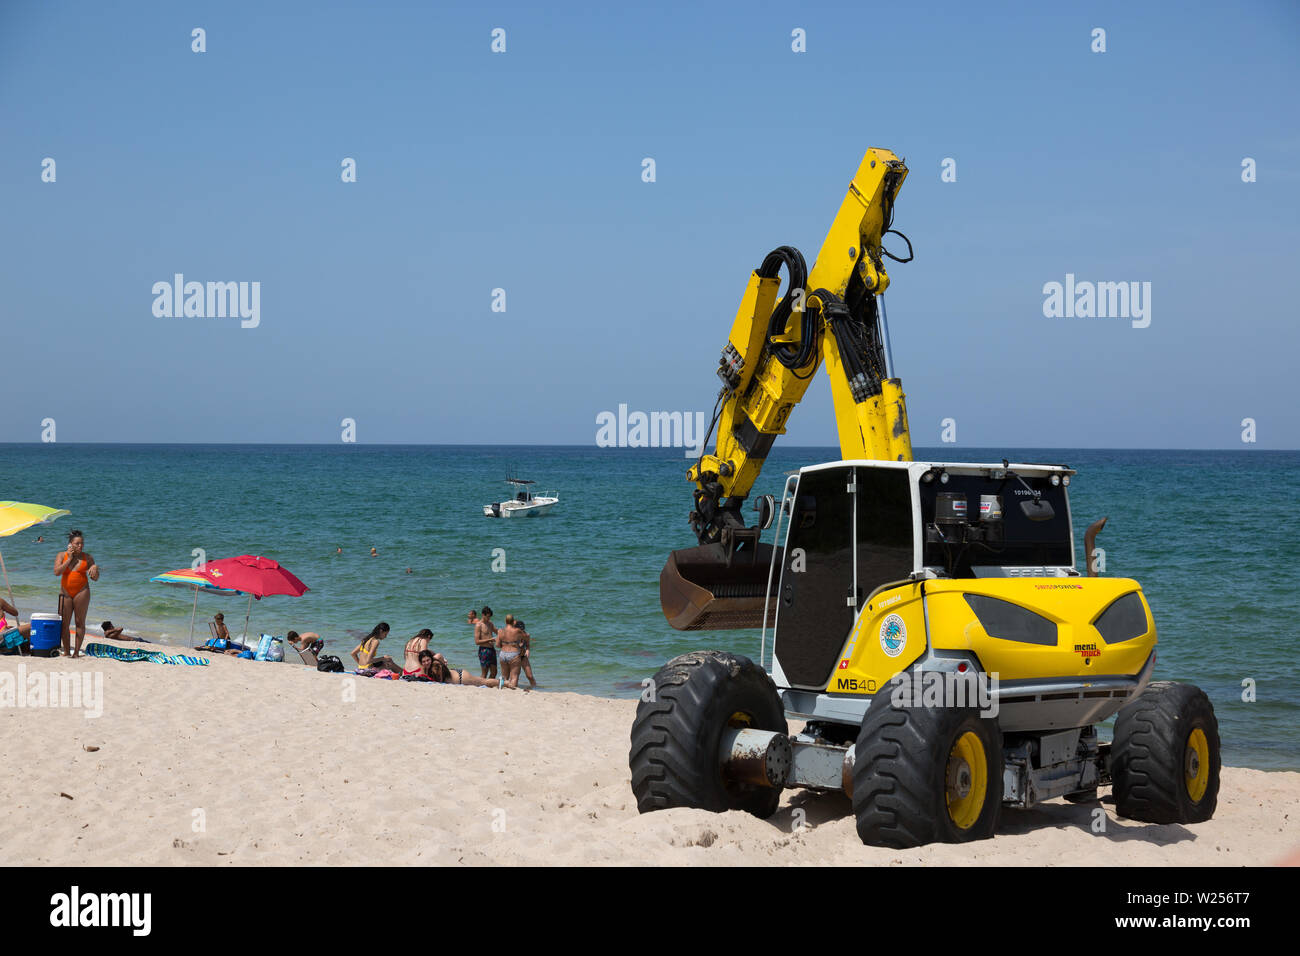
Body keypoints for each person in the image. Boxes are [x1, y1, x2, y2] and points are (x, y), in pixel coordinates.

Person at [54, 530, 98, 658]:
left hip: (82, 591)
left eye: (82, 543)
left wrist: (95, 567)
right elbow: (57, 572)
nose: (80, 546)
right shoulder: (62, 555)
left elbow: (95, 578)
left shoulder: (88, 557)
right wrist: (69, 559)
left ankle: (77, 652)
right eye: (77, 543)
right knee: (64, 623)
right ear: (70, 544)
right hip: (65, 592)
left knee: (80, 622)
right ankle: (67, 651)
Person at [414, 649, 499, 687]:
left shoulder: (435, 665)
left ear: (431, 658)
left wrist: (443, 661)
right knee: (483, 681)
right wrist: (444, 660)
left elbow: (439, 681)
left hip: (462, 678)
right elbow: (439, 655)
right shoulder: (429, 666)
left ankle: (505, 683)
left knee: (484, 682)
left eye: (428, 660)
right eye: (424, 662)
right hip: (457, 673)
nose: (426, 663)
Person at [496, 616, 524, 690]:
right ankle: (512, 690)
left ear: (505, 621)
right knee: (514, 676)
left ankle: (501, 687)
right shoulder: (517, 631)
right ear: (513, 622)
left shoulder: (500, 631)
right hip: (513, 653)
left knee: (504, 676)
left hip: (503, 654)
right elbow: (526, 637)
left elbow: (497, 645)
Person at [475, 606, 498, 680]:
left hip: (492, 650)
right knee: (484, 673)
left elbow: (497, 632)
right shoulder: (479, 625)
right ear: (483, 615)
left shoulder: (490, 623)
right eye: (487, 617)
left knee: (494, 672)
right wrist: (490, 639)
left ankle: (488, 685)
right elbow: (477, 641)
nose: (489, 619)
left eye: (490, 617)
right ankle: (481, 687)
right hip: (483, 650)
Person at [515, 618, 538, 689]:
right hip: (514, 657)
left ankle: (535, 688)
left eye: (523, 629)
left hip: (523, 656)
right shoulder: (513, 636)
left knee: (530, 676)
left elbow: (527, 645)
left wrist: (528, 650)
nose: (522, 631)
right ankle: (513, 688)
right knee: (516, 676)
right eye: (520, 630)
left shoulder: (526, 635)